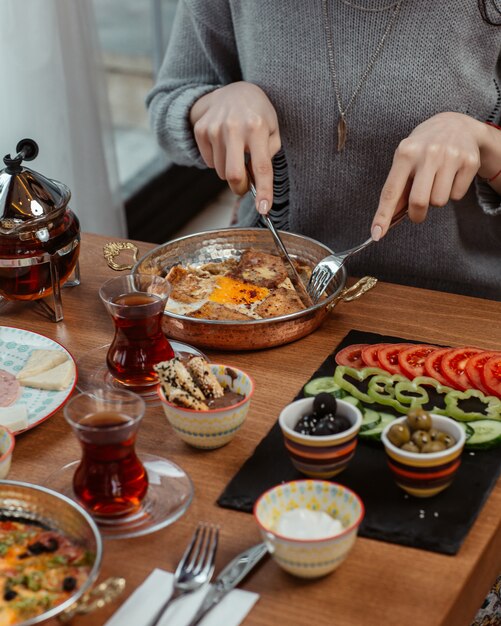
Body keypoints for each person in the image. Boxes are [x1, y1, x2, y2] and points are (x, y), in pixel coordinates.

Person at [146, 0, 501, 301]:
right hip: (271, 291)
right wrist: (213, 104)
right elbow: (168, 105)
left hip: (458, 303)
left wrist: (484, 142)